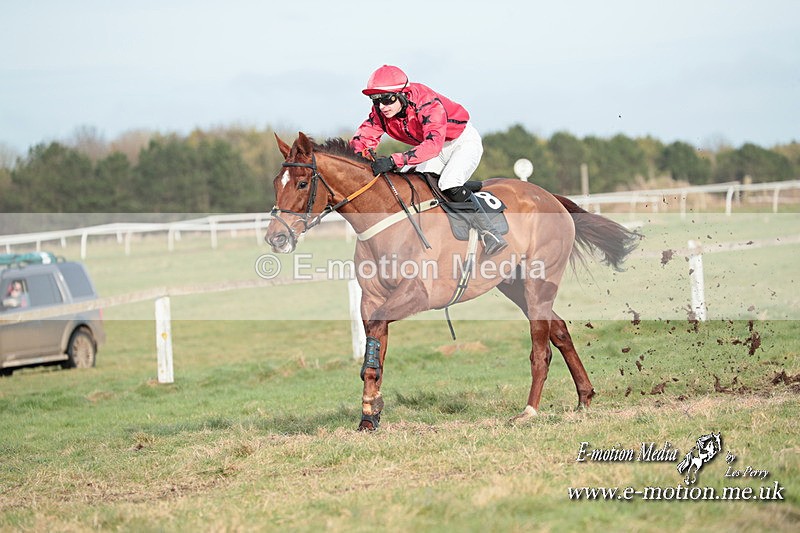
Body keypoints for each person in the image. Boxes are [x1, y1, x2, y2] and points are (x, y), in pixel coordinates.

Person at [350, 65, 507, 256]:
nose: (382, 106)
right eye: (376, 100)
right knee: (415, 187)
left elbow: (433, 145)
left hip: (461, 143)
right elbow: (362, 140)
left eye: (387, 99)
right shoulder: (380, 113)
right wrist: (357, 164)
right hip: (431, 148)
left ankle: (490, 233)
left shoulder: (427, 103)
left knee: (449, 183)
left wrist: (393, 160)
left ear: (403, 94)